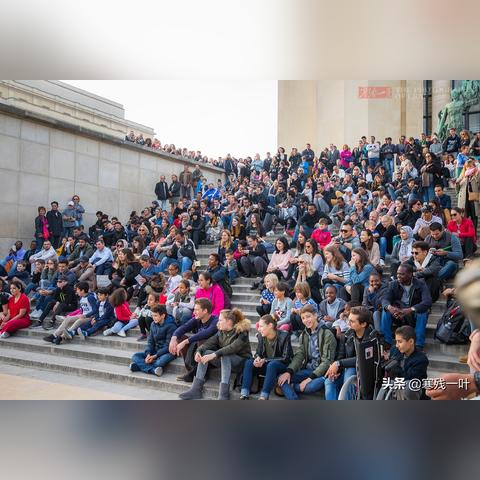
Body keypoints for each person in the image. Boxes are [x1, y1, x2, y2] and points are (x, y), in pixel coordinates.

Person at [179, 308, 251, 400]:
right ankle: (196, 389)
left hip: (241, 362)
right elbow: (208, 343)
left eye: (221, 320)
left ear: (229, 321)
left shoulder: (242, 332)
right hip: (225, 361)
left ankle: (223, 395)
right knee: (205, 352)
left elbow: (232, 348)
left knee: (225, 355)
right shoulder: (221, 331)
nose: (218, 322)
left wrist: (213, 355)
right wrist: (198, 351)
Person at [277, 305, 337, 400]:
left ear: (315, 315)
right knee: (282, 378)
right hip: (308, 369)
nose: (306, 320)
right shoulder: (304, 335)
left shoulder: (327, 334)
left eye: (308, 316)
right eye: (303, 318)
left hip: (321, 372)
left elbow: (327, 361)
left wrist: (309, 379)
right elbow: (300, 355)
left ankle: (292, 387)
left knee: (311, 387)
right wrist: (289, 371)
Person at [324, 306, 382, 400]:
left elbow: (362, 359)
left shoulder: (373, 338)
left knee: (349, 374)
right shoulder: (347, 335)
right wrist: (335, 369)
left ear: (363, 324)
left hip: (365, 373)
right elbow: (341, 355)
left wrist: (339, 363)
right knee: (329, 381)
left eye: (352, 321)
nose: (348, 323)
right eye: (348, 320)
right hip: (346, 368)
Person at [240, 315, 293, 400]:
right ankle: (244, 393)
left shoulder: (285, 335)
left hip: (281, 366)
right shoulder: (261, 336)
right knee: (249, 362)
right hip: (267, 365)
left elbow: (285, 357)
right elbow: (258, 353)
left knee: (272, 364)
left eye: (261, 326)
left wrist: (265, 360)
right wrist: (257, 358)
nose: (259, 329)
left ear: (270, 326)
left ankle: (264, 396)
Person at [381, 264, 432, 349]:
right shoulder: (393, 284)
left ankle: (418, 345)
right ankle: (387, 341)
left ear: (410, 274)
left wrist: (410, 310)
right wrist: (390, 308)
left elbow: (427, 301)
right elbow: (385, 300)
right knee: (385, 311)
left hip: (413, 314)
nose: (398, 276)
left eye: (402, 274)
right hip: (398, 313)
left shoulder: (421, 284)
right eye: (397, 273)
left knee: (422, 313)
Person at [169, 298, 219, 383]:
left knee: (201, 340)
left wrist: (185, 342)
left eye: (196, 310)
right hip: (198, 349)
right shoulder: (197, 319)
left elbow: (206, 333)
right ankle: (190, 371)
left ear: (205, 311)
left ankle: (201, 374)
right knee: (180, 338)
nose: (194, 312)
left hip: (212, 352)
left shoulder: (215, 320)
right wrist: (173, 339)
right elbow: (183, 327)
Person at [129, 305, 176, 377]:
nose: (153, 318)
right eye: (152, 315)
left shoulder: (171, 326)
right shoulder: (153, 324)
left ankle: (139, 366)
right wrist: (148, 354)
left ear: (163, 316)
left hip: (168, 352)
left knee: (159, 363)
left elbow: (168, 346)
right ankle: (153, 370)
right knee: (135, 356)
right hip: (155, 350)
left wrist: (154, 356)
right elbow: (150, 341)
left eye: (156, 316)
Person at [384, 325, 429, 400]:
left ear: (411, 341)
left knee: (407, 387)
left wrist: (396, 369)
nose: (397, 345)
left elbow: (410, 380)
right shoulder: (395, 350)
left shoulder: (421, 359)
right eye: (396, 341)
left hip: (412, 392)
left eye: (400, 342)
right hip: (395, 387)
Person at [456, 157, 480, 231]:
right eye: (467, 166)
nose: (469, 168)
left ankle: (474, 235)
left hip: (474, 200)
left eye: (471, 166)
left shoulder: (478, 174)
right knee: (464, 217)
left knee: (474, 217)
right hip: (464, 199)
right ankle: (465, 234)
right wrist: (460, 180)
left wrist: (475, 175)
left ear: (474, 166)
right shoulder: (462, 175)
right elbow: (457, 188)